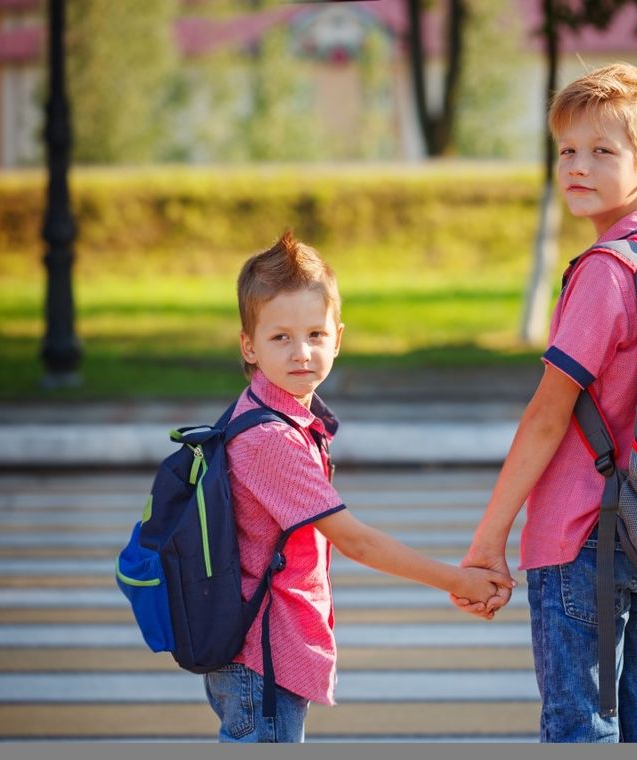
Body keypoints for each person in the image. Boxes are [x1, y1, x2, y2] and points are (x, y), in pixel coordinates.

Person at [452, 62, 637, 742]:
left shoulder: (603, 273)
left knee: (579, 730)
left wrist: (489, 539)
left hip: (582, 537)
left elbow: (548, 415)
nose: (577, 167)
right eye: (566, 151)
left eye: (601, 152)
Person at [207, 230, 515, 743]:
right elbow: (356, 541)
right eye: (280, 337)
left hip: (264, 649)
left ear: (338, 338)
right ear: (249, 346)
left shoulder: (281, 416)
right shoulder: (269, 438)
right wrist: (456, 581)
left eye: (315, 335)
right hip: (260, 657)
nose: (301, 351)